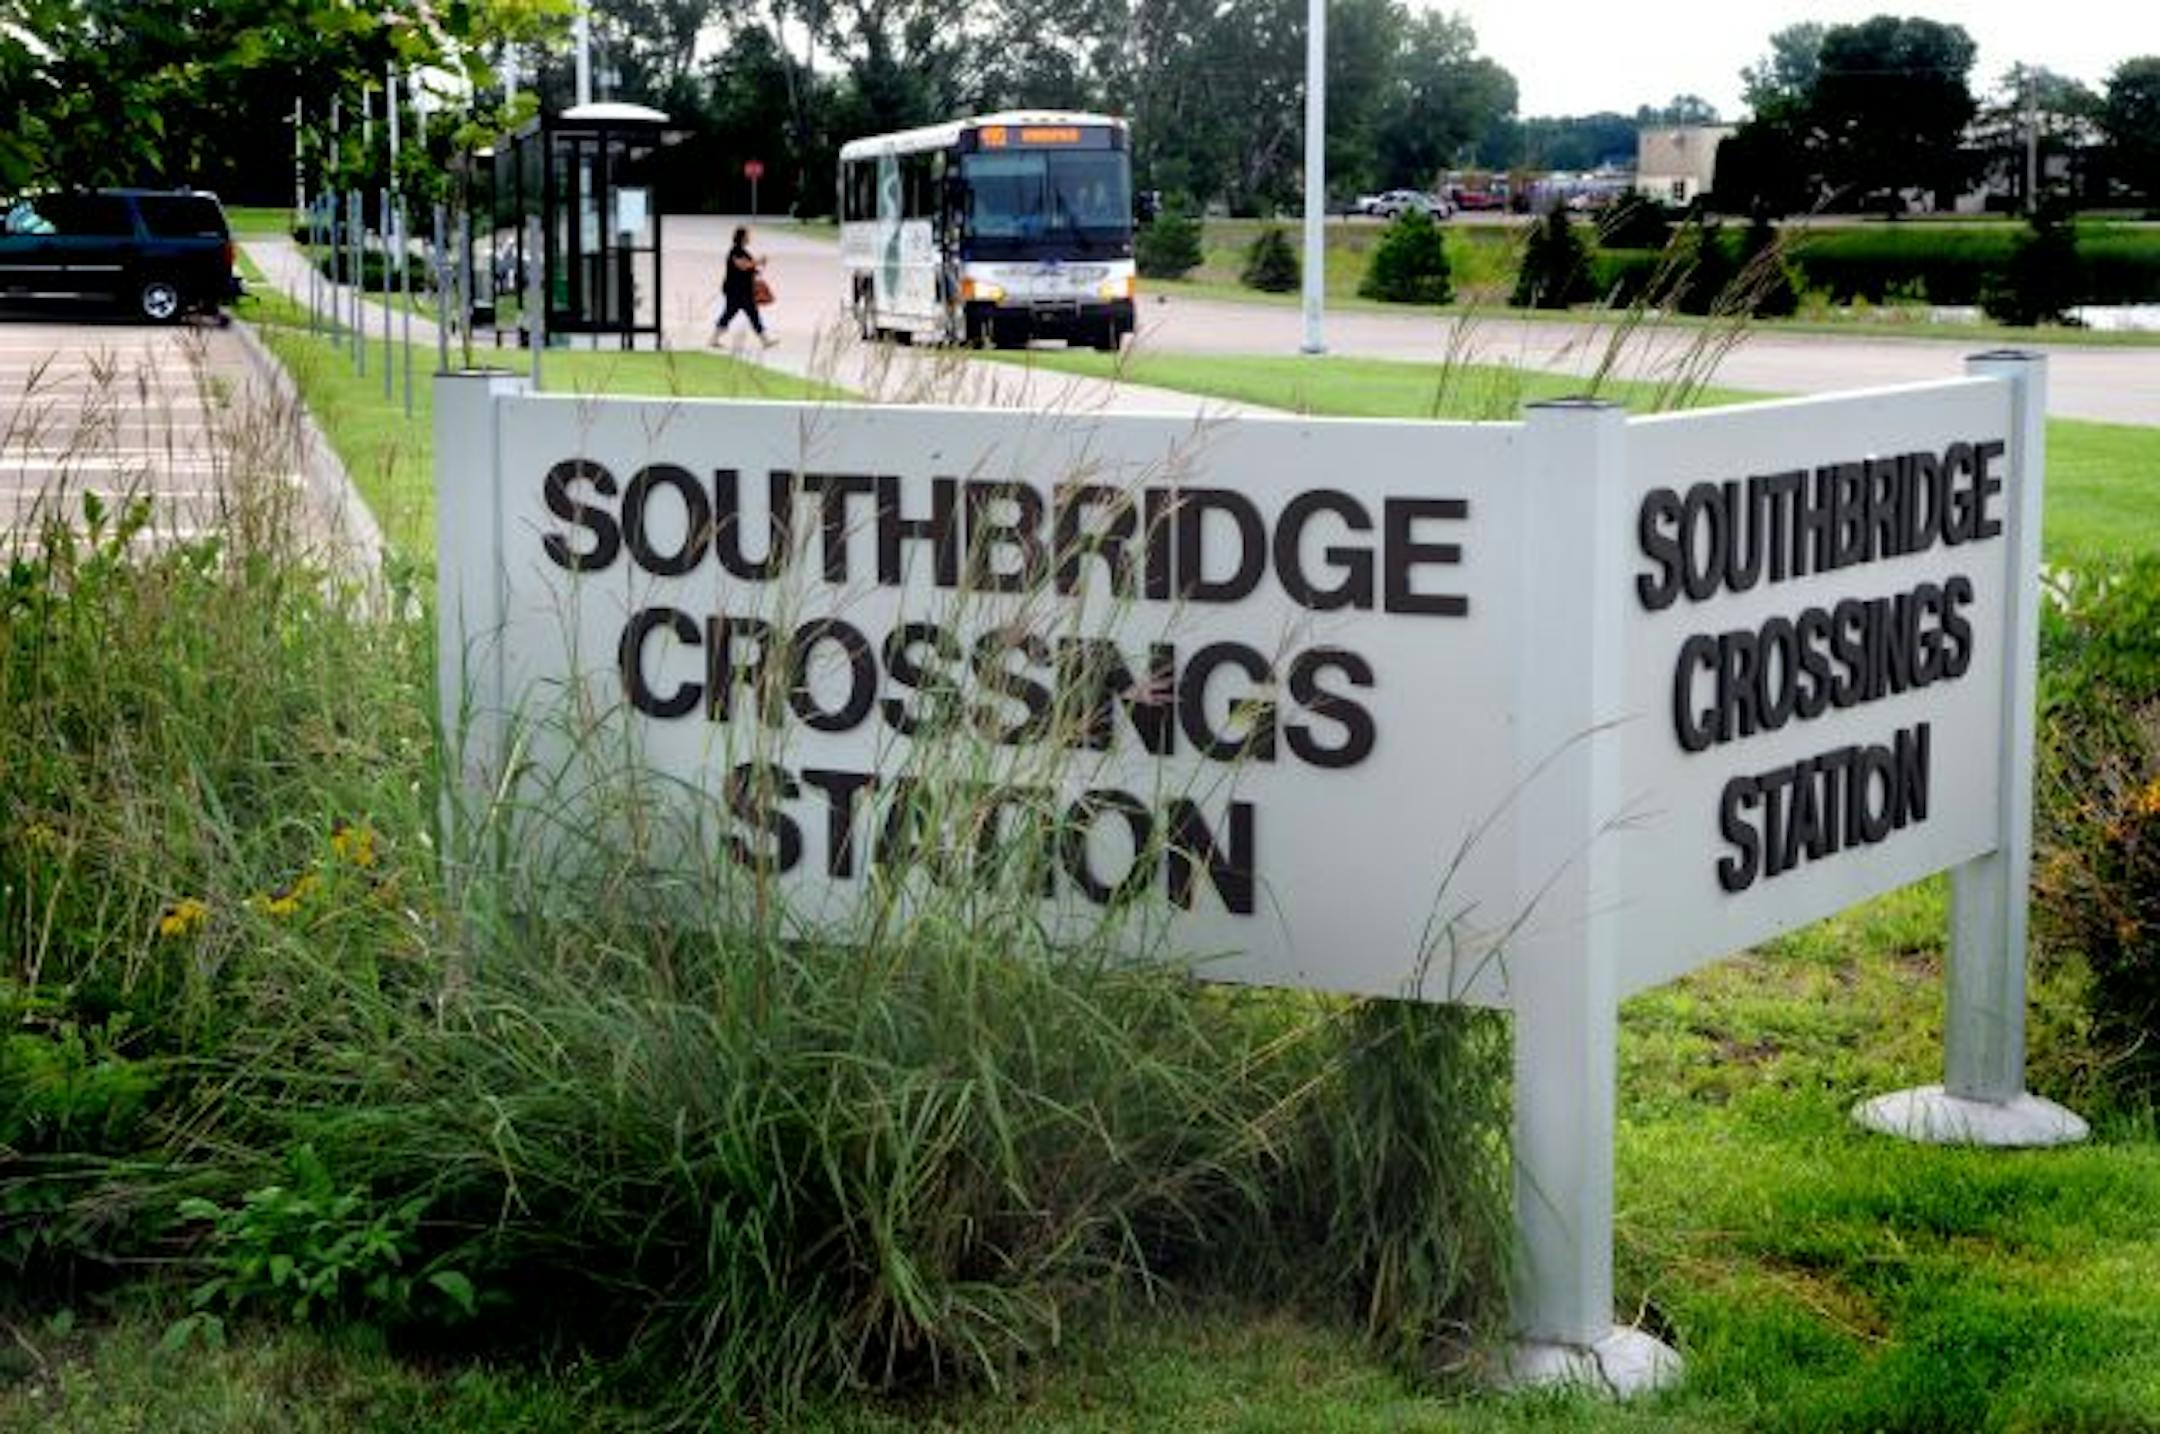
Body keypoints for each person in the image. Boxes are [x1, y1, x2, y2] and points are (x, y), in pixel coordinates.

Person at [710, 226, 777, 348]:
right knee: (739, 314)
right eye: (747, 235)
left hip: (743, 290)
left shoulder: (743, 252)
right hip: (736, 290)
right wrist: (758, 261)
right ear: (742, 237)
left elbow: (748, 267)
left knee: (740, 314)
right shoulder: (735, 251)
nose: (749, 238)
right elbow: (742, 266)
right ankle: (765, 341)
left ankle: (714, 339)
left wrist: (756, 270)